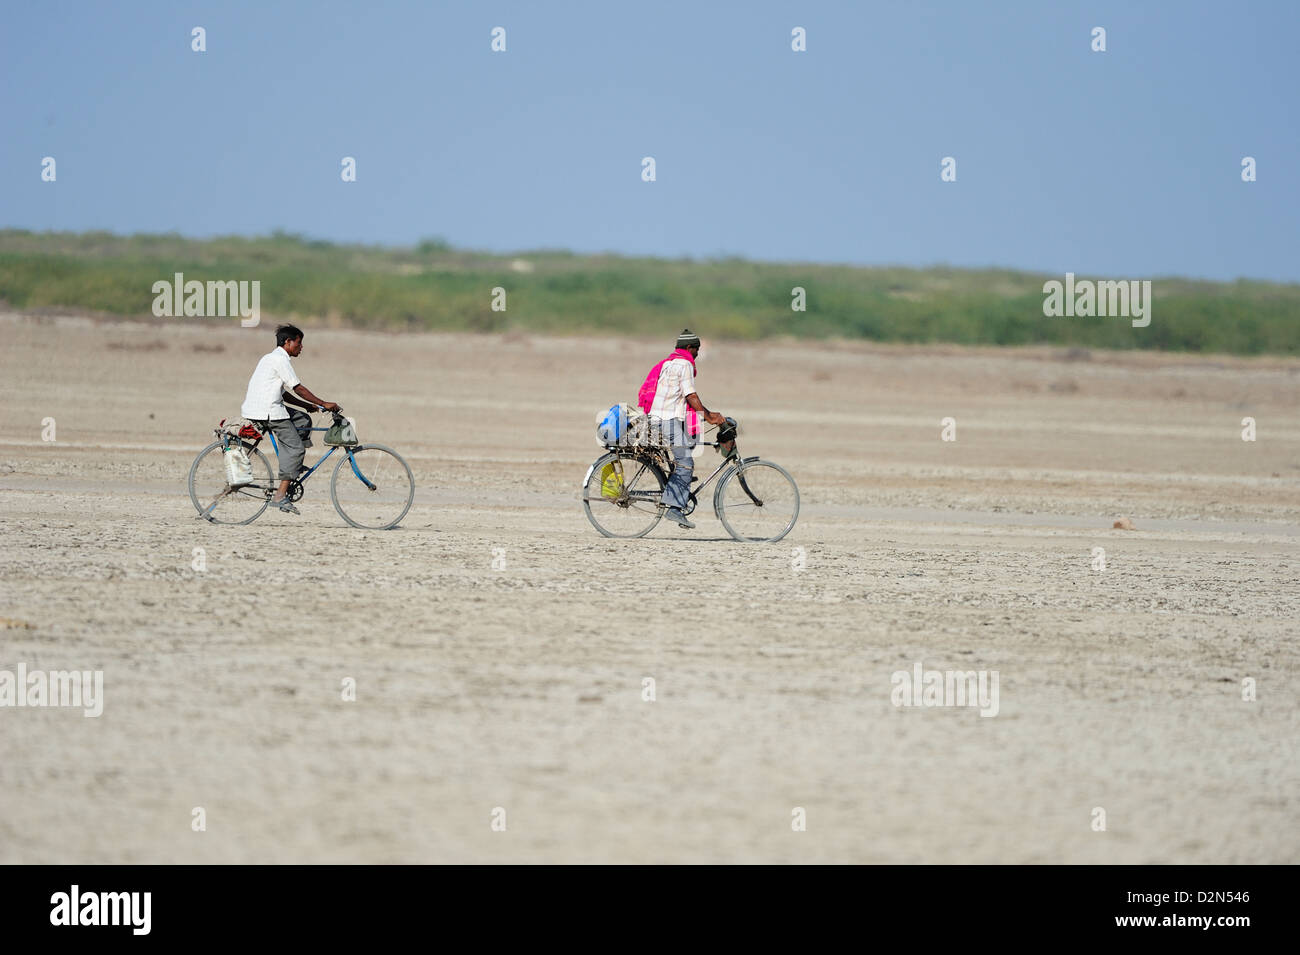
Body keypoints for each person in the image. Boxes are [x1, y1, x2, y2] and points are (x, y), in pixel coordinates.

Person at [240, 324, 341, 514]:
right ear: (288, 342)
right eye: (299, 343)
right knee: (296, 448)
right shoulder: (281, 360)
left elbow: (282, 393)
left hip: (262, 406)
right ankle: (280, 496)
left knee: (302, 420)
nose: (301, 347)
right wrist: (323, 403)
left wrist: (307, 406)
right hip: (267, 411)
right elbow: (298, 388)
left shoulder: (269, 358)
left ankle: (293, 464)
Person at [638, 328, 726, 529]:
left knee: (686, 450)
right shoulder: (685, 363)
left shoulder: (668, 363)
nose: (697, 354)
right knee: (685, 461)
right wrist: (709, 416)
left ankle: (679, 484)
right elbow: (690, 396)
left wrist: (704, 415)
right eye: (696, 350)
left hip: (659, 417)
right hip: (666, 419)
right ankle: (675, 508)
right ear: (689, 348)